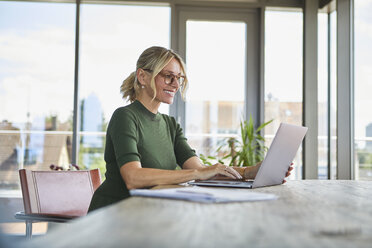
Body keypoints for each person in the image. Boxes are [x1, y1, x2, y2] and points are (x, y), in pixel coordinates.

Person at [88, 46, 292, 212]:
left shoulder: (170, 124)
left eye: (179, 78)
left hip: (150, 213)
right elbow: (133, 178)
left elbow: (203, 171)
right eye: (168, 76)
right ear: (142, 77)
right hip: (116, 214)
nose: (175, 84)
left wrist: (251, 171)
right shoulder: (125, 117)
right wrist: (196, 173)